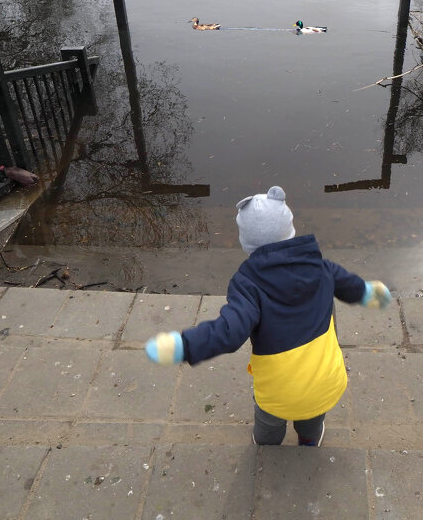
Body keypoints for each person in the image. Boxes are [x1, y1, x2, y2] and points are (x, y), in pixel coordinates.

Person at [144, 185, 392, 447]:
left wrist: (183, 346)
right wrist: (369, 293)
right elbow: (352, 287)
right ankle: (309, 440)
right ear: (290, 229)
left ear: (247, 243)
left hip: (279, 391)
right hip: (327, 380)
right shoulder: (322, 268)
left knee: (269, 423)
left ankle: (267, 447)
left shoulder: (247, 284)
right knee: (313, 416)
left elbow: (229, 332)